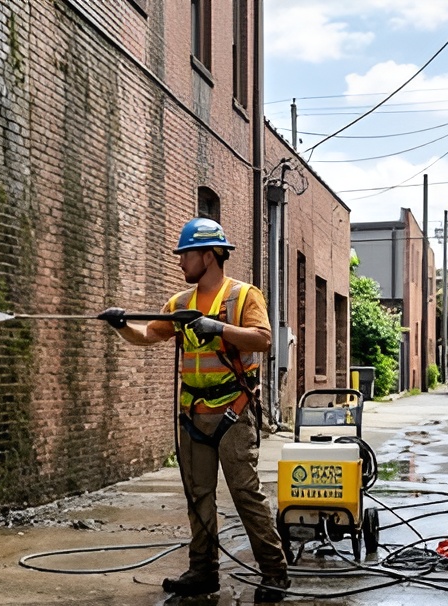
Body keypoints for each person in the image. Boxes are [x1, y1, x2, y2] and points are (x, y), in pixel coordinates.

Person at [98, 217, 290, 602]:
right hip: (193, 414)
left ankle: (274, 572)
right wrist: (120, 326)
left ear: (210, 254)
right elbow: (148, 335)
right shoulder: (179, 304)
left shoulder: (243, 296)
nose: (180, 262)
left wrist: (216, 328)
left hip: (233, 412)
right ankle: (203, 572)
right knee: (198, 495)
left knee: (245, 494)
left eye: (186, 255)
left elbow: (264, 340)